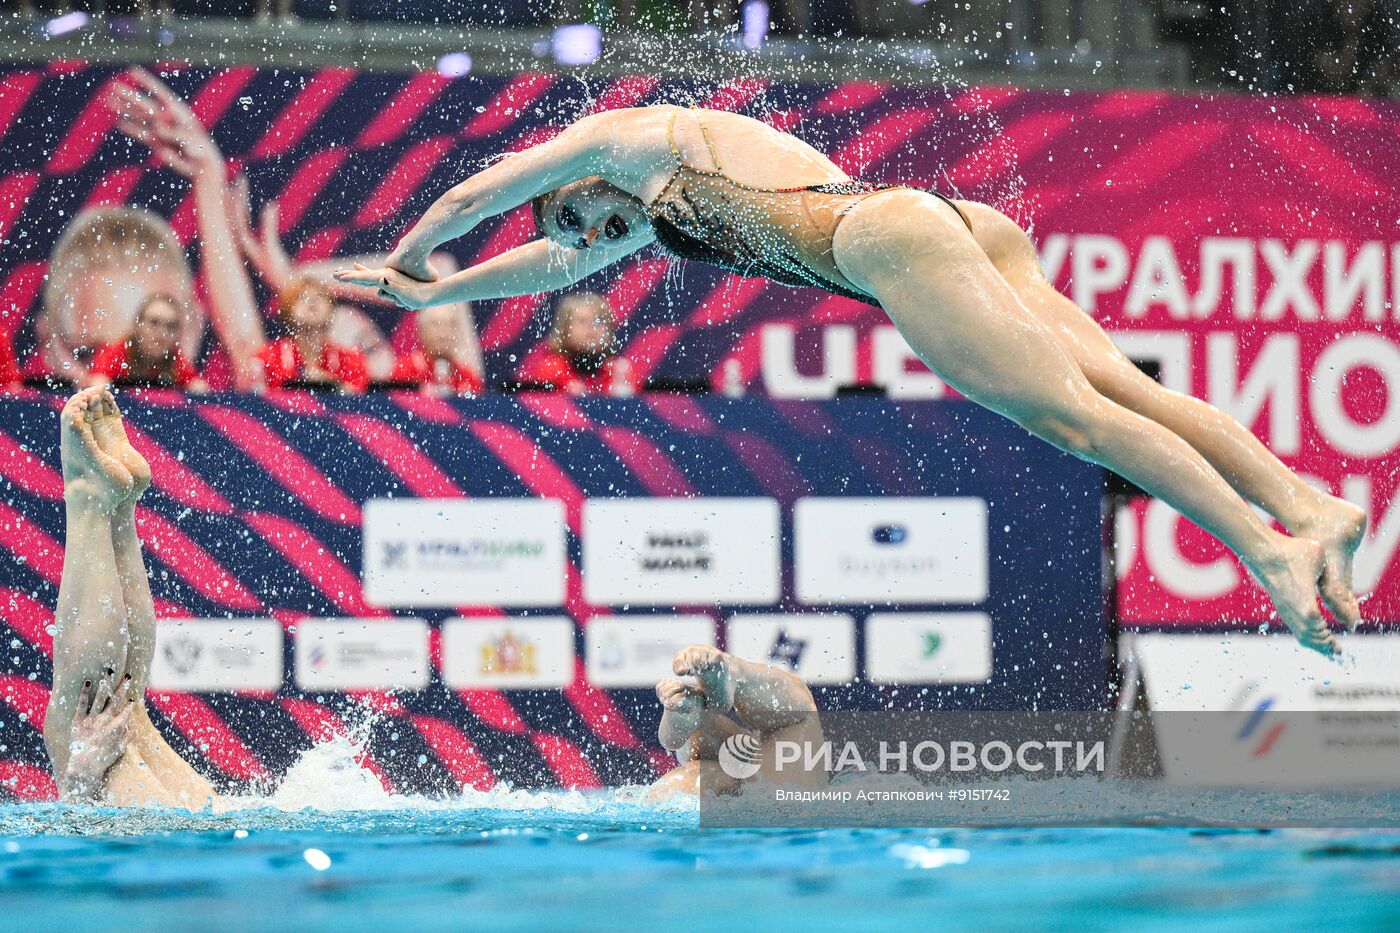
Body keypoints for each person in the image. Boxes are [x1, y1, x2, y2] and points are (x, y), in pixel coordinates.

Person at [336, 104, 1365, 655]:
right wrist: (442, 298)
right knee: (1124, 393)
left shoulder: (625, 140)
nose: (599, 239)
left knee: (1081, 424)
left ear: (573, 180)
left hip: (885, 245)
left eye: (585, 215)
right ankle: (1305, 506)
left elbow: (481, 189)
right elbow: (555, 260)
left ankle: (1262, 556)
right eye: (597, 236)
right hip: (938, 226)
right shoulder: (640, 199)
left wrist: (417, 256)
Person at [46, 387, 220, 808]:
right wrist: (81, 776)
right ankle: (92, 498)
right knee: (110, 718)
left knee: (117, 714)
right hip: (176, 830)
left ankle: (114, 505)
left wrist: (83, 777)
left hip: (185, 827)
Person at [649, 645, 824, 800]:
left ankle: (692, 711)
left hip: (698, 794)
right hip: (774, 798)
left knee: (675, 784)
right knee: (800, 719)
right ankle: (736, 673)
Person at [255, 277, 369, 392]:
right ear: (287, 311)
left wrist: (331, 384)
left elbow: (360, 403)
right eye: (302, 297)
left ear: (331, 310)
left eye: (320, 296)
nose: (312, 302)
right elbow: (256, 401)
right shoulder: (267, 359)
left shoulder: (351, 361)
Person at [84, 293, 207, 391]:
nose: (162, 332)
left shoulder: (175, 360)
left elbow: (200, 390)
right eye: (154, 322)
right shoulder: (116, 353)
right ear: (137, 326)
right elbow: (95, 386)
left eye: (171, 326)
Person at [526, 292, 637, 395]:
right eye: (582, 321)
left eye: (598, 320)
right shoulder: (552, 370)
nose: (591, 328)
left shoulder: (620, 370)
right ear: (565, 329)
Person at [390, 305, 485, 395]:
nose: (445, 334)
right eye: (437, 325)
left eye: (451, 325)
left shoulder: (469, 378)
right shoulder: (404, 372)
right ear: (421, 331)